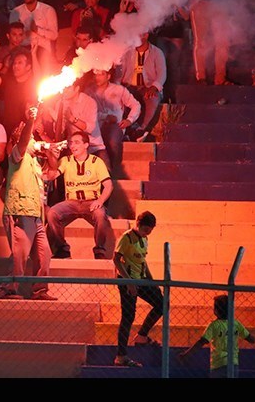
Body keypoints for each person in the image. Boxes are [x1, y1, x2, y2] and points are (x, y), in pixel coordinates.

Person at [0, 106, 56, 300]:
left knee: (44, 252)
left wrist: (50, 150)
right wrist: (30, 121)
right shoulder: (16, 155)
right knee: (20, 254)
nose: (33, 142)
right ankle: (7, 289)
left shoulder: (34, 162)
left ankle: (39, 290)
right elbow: (22, 142)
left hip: (36, 214)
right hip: (20, 212)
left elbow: (53, 169)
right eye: (31, 138)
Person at [45, 131, 113, 260]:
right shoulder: (66, 160)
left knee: (100, 214)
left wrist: (100, 200)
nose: (72, 146)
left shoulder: (96, 161)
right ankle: (62, 249)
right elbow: (51, 176)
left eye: (77, 142)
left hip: (90, 202)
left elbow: (109, 185)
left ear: (86, 145)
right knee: (52, 213)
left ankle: (99, 250)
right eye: (71, 142)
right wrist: (51, 157)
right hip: (71, 202)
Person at [113, 210, 163, 367]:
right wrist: (128, 282)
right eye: (146, 229)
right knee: (128, 316)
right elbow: (116, 259)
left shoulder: (144, 239)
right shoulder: (126, 238)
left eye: (150, 231)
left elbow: (143, 261)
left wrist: (151, 280)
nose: (148, 233)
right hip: (128, 280)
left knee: (162, 303)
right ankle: (121, 356)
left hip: (141, 279)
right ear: (139, 225)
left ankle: (142, 335)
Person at [179, 294, 255, 378]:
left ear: (215, 310)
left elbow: (201, 342)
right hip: (233, 364)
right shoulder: (236, 324)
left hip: (218, 364)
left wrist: (186, 355)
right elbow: (251, 339)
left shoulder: (214, 325)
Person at [118, 31, 166, 142]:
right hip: (129, 86)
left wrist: (154, 87)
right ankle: (133, 131)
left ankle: (140, 130)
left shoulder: (157, 53)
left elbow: (162, 74)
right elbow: (120, 73)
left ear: (146, 35)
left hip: (148, 87)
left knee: (152, 100)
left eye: (139, 34)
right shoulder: (127, 52)